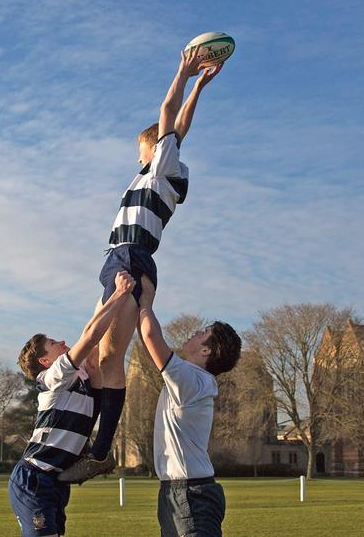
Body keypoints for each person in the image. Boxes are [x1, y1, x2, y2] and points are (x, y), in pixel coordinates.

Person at [59, 50, 224, 483]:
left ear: (154, 147)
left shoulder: (161, 168)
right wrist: (201, 86)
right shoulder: (160, 170)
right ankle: (90, 443)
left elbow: (170, 116)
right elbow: (180, 124)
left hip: (130, 257)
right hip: (121, 256)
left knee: (109, 357)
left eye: (140, 148)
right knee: (94, 354)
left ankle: (98, 451)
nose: (137, 156)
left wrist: (183, 73)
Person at [9, 271, 136, 537]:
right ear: (45, 361)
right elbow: (89, 336)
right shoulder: (52, 377)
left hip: (55, 482)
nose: (63, 343)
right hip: (34, 477)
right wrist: (119, 292)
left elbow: (96, 343)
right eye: (54, 344)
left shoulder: (83, 377)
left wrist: (112, 290)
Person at [136, 276, 241, 537]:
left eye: (203, 332)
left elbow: (150, 335)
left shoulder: (191, 379)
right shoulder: (191, 378)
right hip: (181, 491)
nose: (196, 331)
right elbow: (148, 341)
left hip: (189, 494)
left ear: (207, 351)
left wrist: (145, 299)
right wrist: (137, 306)